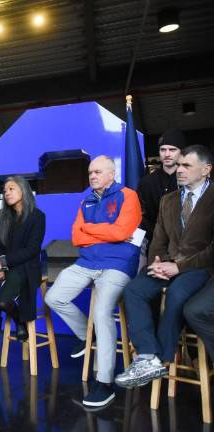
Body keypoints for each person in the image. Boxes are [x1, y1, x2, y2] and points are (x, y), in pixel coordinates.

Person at [45, 155, 142, 407]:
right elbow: (75, 237)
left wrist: (90, 229)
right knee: (53, 297)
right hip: (86, 263)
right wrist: (102, 232)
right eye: (90, 173)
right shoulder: (86, 200)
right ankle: (86, 334)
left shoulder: (127, 196)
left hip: (118, 265)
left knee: (101, 313)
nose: (92, 176)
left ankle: (105, 383)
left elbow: (122, 232)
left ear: (112, 174)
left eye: (98, 172)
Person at [115, 145, 214, 388]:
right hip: (167, 265)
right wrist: (157, 262)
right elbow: (158, 239)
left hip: (199, 267)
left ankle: (161, 357)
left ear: (206, 170)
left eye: (186, 165)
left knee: (178, 294)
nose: (179, 170)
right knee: (133, 290)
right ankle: (147, 355)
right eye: (179, 165)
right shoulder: (167, 200)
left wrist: (179, 268)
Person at [0, 176, 46, 376]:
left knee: (3, 300)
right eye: (5, 190)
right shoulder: (3, 216)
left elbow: (32, 250)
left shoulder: (37, 216)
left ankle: (19, 321)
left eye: (11, 188)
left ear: (23, 190)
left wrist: (4, 262)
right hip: (3, 268)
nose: (7, 192)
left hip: (25, 267)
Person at [137, 129, 186, 252]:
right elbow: (142, 216)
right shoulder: (146, 183)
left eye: (172, 149)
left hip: (187, 244)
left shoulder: (190, 179)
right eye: (163, 150)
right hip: (155, 244)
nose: (167, 154)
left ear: (181, 152)